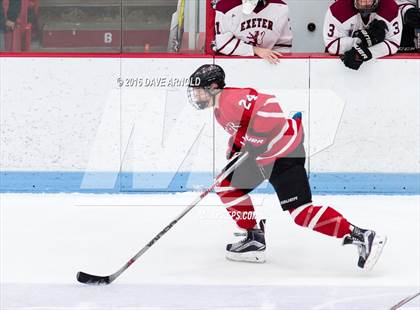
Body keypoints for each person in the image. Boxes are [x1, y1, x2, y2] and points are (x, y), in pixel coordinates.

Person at [188, 64, 387, 270]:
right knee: (227, 185)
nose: (195, 94)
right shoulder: (219, 111)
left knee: (301, 213)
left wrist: (253, 142)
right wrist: (235, 147)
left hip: (285, 153)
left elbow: (271, 109)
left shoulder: (233, 98)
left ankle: (362, 236)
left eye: (198, 89)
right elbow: (244, 130)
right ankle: (254, 239)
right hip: (263, 157)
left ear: (212, 87)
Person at [323, 0, 402, 70]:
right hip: (339, 63)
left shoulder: (391, 7)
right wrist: (361, 40)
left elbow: (393, 43)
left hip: (377, 68)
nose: (365, 3)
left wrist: (362, 53)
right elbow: (332, 45)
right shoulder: (338, 9)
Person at [214, 0, 292, 64]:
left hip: (267, 64)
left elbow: (283, 46)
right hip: (233, 64)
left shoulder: (280, 7)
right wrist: (256, 50)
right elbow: (222, 44)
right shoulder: (225, 7)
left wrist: (276, 63)